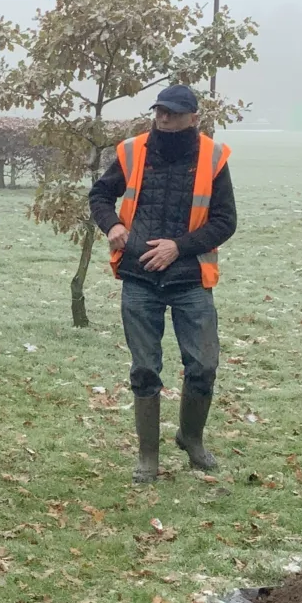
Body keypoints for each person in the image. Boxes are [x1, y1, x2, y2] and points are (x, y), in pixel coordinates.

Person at [89, 84, 237, 483]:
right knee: (145, 368)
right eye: (159, 111)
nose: (163, 117)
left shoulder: (214, 157)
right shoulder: (132, 151)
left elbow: (226, 221)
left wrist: (179, 247)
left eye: (172, 112)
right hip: (139, 276)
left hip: (190, 279)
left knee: (203, 364)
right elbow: (100, 195)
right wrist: (113, 224)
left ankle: (191, 438)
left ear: (194, 118)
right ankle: (148, 457)